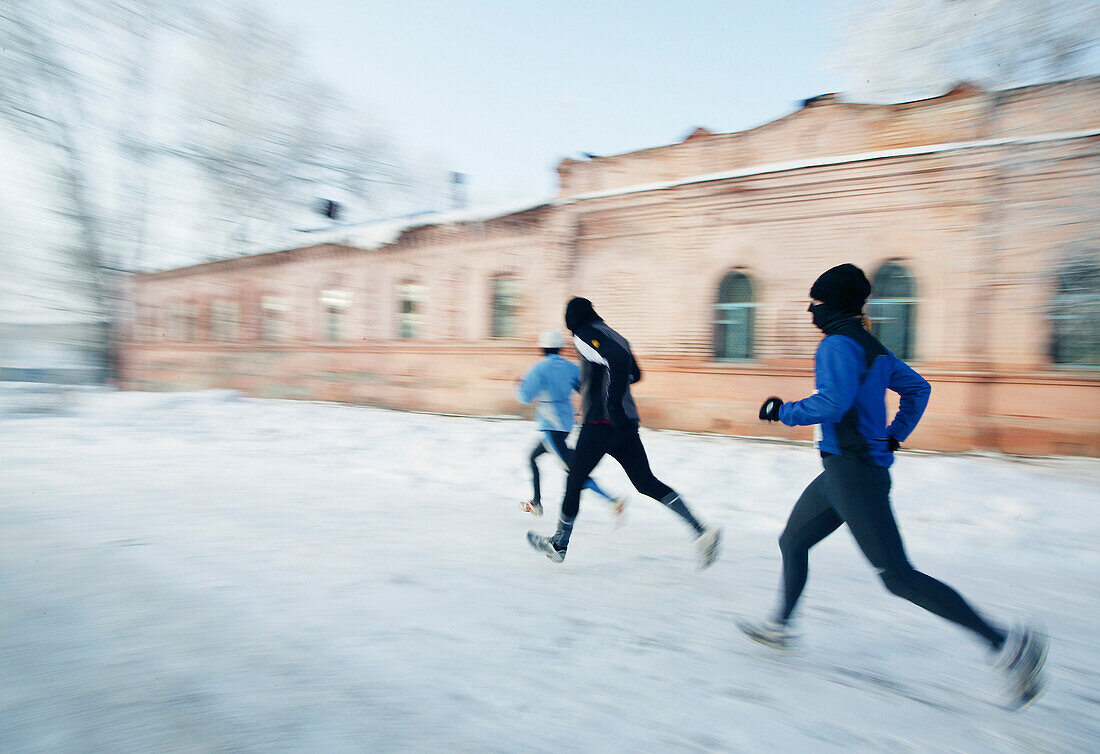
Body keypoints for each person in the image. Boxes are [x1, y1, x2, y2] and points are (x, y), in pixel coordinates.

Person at [737, 263, 1047, 709]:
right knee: (793, 541)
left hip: (855, 474)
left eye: (817, 301)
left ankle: (1009, 645)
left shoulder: (837, 344)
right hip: (842, 472)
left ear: (832, 305)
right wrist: (895, 433)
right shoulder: (872, 345)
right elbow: (917, 388)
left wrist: (783, 412)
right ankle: (780, 626)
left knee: (897, 576)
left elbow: (834, 401)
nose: (812, 309)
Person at [527, 298, 722, 569]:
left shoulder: (585, 334)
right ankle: (702, 530)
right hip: (625, 425)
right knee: (645, 482)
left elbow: (617, 361)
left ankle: (559, 544)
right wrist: (609, 388)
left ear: (572, 320)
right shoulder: (615, 335)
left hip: (599, 424)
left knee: (575, 480)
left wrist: (611, 404)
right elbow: (635, 373)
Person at [515, 329, 625, 521]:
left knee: (574, 471)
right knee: (533, 457)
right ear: (560, 348)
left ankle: (612, 500)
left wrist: (521, 386)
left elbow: (524, 397)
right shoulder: (571, 367)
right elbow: (583, 388)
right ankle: (536, 502)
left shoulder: (538, 369)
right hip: (565, 423)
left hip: (551, 425)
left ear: (542, 348)